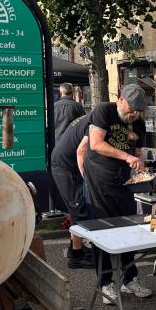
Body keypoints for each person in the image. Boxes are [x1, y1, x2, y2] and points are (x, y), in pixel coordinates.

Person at [84, 84, 153, 304]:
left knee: (130, 227)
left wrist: (140, 163)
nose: (134, 113)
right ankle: (105, 284)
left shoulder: (138, 123)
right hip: (100, 179)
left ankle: (129, 279)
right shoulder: (104, 111)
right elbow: (96, 144)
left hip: (125, 181)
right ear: (121, 99)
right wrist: (126, 157)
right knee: (103, 230)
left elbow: (138, 152)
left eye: (138, 110)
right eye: (132, 108)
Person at [51, 113, 94, 269]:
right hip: (65, 166)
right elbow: (81, 151)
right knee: (78, 209)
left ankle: (74, 247)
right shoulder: (95, 122)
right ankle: (76, 257)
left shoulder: (88, 117)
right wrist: (87, 178)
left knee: (75, 207)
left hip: (64, 163)